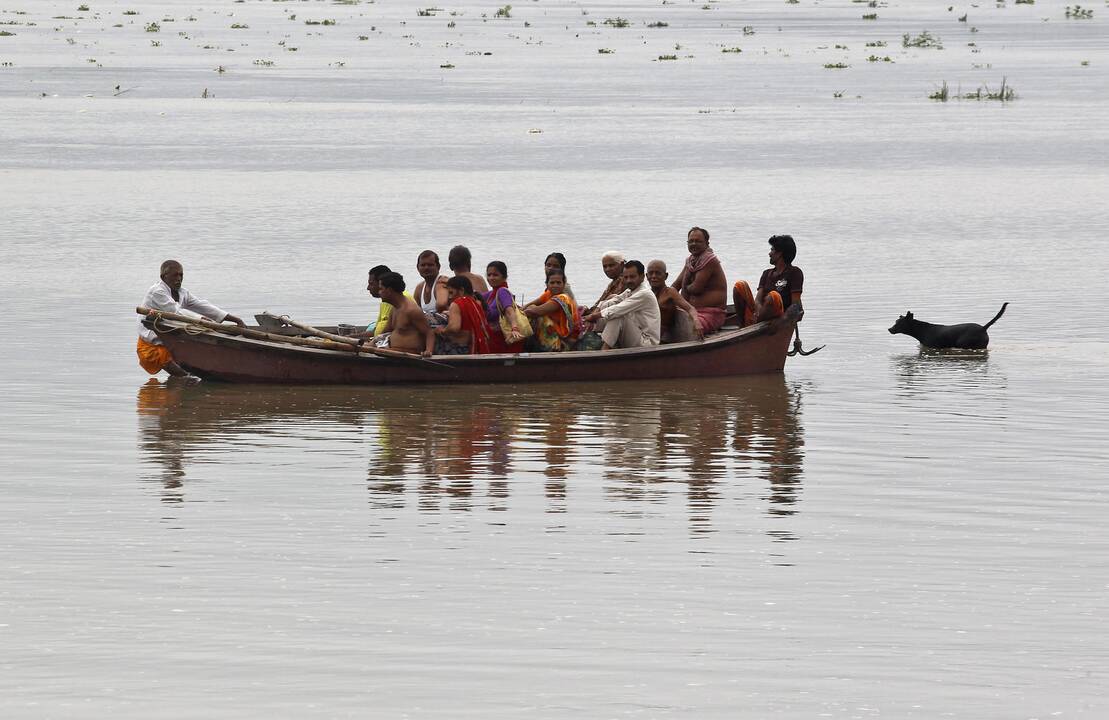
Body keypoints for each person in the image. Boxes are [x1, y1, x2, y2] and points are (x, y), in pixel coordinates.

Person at [137, 260, 246, 378]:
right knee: (183, 376)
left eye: (181, 275)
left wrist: (234, 319)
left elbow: (202, 305)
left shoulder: (182, 293)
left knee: (184, 372)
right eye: (175, 275)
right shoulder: (157, 292)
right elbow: (176, 312)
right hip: (151, 341)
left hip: (171, 339)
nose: (179, 278)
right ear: (164, 277)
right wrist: (202, 319)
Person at [582, 260, 660, 350]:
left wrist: (593, 316)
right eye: (626, 277)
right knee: (611, 300)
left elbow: (617, 310)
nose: (628, 280)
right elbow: (613, 301)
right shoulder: (630, 291)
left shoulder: (644, 294)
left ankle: (604, 352)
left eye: (632, 277)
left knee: (618, 315)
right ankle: (591, 330)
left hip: (647, 342)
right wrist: (596, 312)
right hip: (635, 334)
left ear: (642, 277)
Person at [733, 234, 804, 327]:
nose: (769, 253)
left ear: (779, 253)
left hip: (775, 317)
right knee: (740, 286)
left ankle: (757, 324)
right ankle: (744, 326)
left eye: (772, 250)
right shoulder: (766, 273)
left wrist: (782, 320)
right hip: (759, 315)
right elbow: (757, 300)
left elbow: (796, 304)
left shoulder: (794, 272)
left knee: (773, 297)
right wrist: (758, 312)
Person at [671, 226, 727, 335]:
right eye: (691, 241)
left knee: (691, 328)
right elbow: (675, 286)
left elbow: (696, 288)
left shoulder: (710, 260)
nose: (693, 244)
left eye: (698, 241)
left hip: (711, 313)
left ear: (707, 243)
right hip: (691, 311)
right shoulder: (690, 261)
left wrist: (685, 284)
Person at [427, 276, 492, 356]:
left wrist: (442, 331)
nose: (449, 297)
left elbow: (454, 328)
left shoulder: (457, 303)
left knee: (429, 329)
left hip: (459, 350)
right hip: (474, 347)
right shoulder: (477, 303)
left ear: (461, 290)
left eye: (451, 293)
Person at [523, 268, 580, 352]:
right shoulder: (548, 294)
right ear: (547, 284)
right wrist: (519, 310)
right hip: (557, 335)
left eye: (558, 283)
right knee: (532, 310)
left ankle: (548, 348)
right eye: (552, 283)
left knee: (540, 318)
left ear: (564, 284)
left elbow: (535, 311)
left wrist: (520, 314)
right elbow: (530, 305)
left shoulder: (563, 298)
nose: (555, 285)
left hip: (566, 342)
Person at [646, 260, 703, 343]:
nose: (653, 276)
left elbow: (690, 308)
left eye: (658, 273)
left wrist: (696, 321)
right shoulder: (647, 293)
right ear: (646, 276)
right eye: (651, 273)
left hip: (654, 338)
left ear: (665, 276)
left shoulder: (670, 292)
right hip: (645, 332)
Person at [373, 272, 431, 353]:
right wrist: (371, 343)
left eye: (381, 289)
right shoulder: (394, 308)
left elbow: (429, 333)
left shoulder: (412, 310)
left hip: (408, 355)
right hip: (391, 351)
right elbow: (385, 331)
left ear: (389, 290)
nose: (379, 292)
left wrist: (428, 351)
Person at [482, 261, 526, 354]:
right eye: (489, 275)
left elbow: (509, 310)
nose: (491, 278)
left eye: (495, 275)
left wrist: (514, 328)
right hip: (494, 340)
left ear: (504, 277)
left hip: (504, 340)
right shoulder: (489, 295)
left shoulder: (502, 292)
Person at [364, 264, 412, 338]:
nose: (368, 288)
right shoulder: (386, 300)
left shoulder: (401, 302)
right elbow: (378, 332)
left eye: (371, 284)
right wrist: (349, 337)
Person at [413, 250, 450, 315]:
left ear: (438, 267)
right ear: (418, 268)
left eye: (430, 265)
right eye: (423, 265)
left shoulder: (442, 282)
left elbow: (441, 305)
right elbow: (416, 313)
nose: (426, 268)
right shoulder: (419, 288)